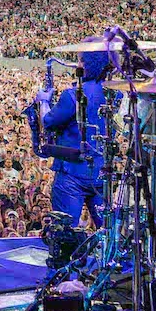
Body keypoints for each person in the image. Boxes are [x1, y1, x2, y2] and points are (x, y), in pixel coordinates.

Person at [30, 38, 115, 238]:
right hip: (102, 172)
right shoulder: (115, 94)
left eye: (80, 60)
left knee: (64, 231)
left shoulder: (72, 95)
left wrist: (44, 101)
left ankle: (63, 267)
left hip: (71, 172)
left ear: (88, 64)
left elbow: (48, 121)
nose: (77, 65)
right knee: (109, 233)